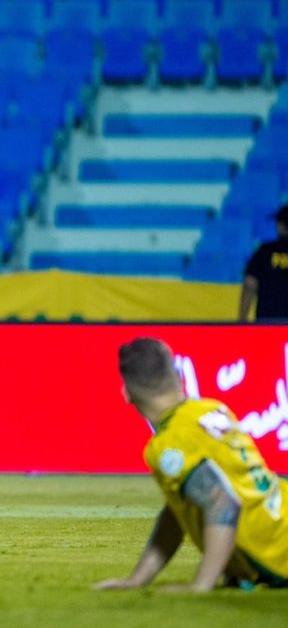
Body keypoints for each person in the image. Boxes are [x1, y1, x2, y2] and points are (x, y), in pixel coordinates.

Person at [95, 338, 288, 592]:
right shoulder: (212, 409)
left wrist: (201, 585)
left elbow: (224, 502)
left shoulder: (169, 444)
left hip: (279, 555)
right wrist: (137, 580)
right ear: (177, 376)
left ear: (127, 394)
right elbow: (178, 512)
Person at [240, 205, 288, 322]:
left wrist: (242, 319)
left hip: (267, 324)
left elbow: (250, 284)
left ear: (281, 226)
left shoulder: (265, 251)